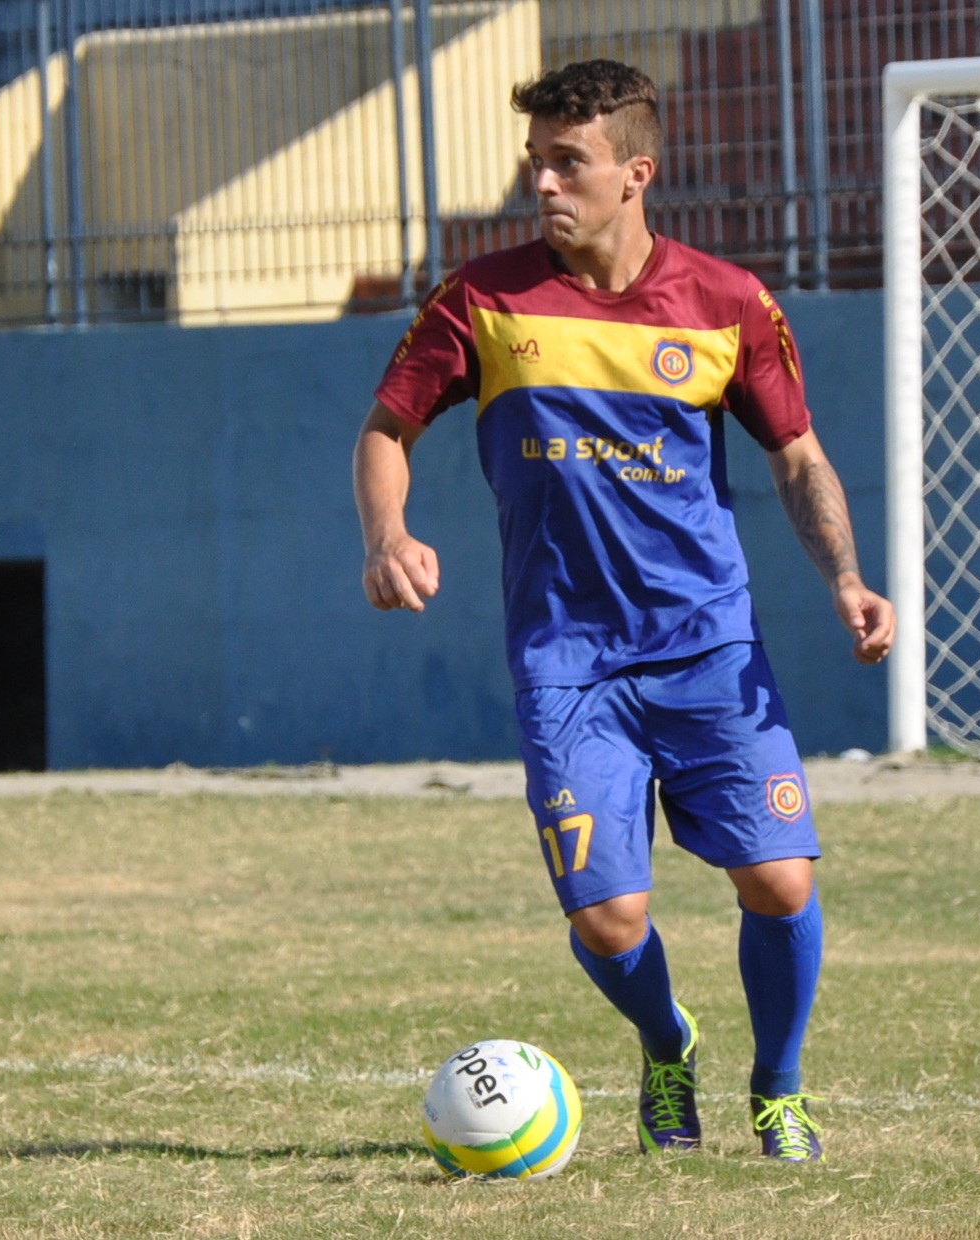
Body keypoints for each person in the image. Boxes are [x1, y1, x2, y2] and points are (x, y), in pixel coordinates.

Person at [353, 60, 894, 1161]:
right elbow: (385, 429)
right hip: (568, 662)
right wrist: (387, 534)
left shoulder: (728, 303)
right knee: (608, 920)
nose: (543, 183)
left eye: (569, 161)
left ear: (635, 173)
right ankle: (664, 1045)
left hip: (708, 645)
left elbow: (795, 454)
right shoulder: (484, 300)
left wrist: (843, 575)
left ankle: (778, 1087)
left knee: (780, 877)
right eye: (535, 162)